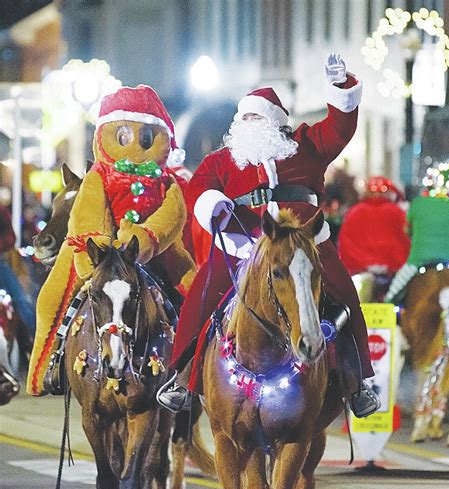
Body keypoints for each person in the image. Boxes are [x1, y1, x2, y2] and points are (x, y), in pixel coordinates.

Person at [158, 54, 380, 418]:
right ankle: (182, 378)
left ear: (275, 122)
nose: (249, 123)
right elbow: (197, 189)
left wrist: (339, 88)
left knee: (345, 296)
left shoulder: (306, 145)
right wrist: (213, 204)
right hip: (243, 247)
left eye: (256, 117)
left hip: (307, 247)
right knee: (202, 296)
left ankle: (358, 384)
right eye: (244, 117)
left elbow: (341, 128)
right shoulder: (223, 160)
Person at [27, 85, 196, 395]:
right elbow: (89, 209)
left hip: (152, 251)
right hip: (98, 249)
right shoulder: (100, 175)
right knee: (51, 298)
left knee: (195, 294)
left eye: (145, 137)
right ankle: (48, 365)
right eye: (122, 136)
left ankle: (192, 373)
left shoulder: (165, 180)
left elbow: (173, 215)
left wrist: (146, 237)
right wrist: (97, 244)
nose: (133, 144)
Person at [384, 165, 449, 303]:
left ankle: (388, 306)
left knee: (394, 291)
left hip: (418, 259)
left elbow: (407, 230)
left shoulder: (417, 204)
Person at [338, 176, 410, 276]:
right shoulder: (396, 212)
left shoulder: (354, 212)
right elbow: (406, 239)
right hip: (393, 270)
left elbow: (345, 243)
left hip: (359, 270)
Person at [0, 205, 36, 339]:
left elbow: (11, 237)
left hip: (0, 263)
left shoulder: (1, 211)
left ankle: (33, 340)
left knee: (20, 299)